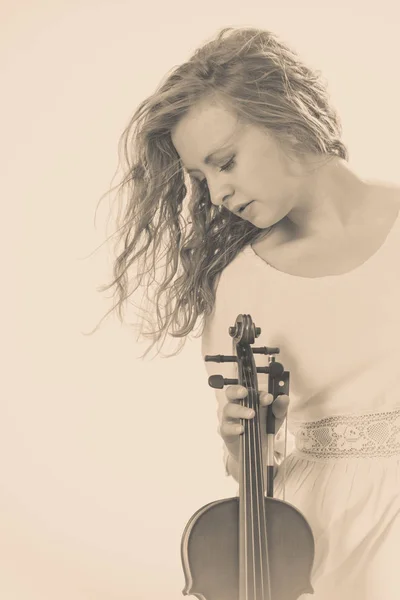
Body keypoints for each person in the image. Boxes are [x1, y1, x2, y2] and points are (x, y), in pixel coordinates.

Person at [99, 27, 400, 599]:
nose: (216, 194)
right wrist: (243, 446)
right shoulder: (241, 286)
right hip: (319, 539)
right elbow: (253, 471)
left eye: (225, 162)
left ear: (287, 118)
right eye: (201, 179)